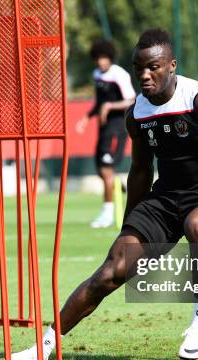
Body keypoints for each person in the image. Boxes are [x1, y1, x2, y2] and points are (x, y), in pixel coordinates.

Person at [6, 28, 198, 360]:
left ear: (172, 66)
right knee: (112, 271)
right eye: (138, 67)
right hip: (166, 199)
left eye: (153, 67)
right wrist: (130, 226)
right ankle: (44, 346)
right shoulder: (136, 115)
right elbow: (140, 171)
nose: (144, 75)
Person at [76, 39, 136, 228]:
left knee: (106, 170)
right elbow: (99, 102)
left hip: (118, 128)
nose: (101, 62)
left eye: (104, 57)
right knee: (103, 171)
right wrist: (86, 118)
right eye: (98, 58)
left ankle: (107, 214)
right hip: (103, 129)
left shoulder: (119, 74)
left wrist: (110, 106)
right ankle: (121, 188)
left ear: (110, 57)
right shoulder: (97, 75)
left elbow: (131, 100)